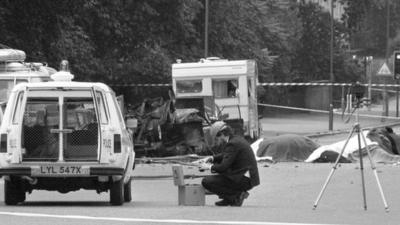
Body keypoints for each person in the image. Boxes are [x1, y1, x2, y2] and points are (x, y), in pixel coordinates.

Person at [199, 121, 260, 206]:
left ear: (221, 134)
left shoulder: (232, 144)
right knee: (220, 175)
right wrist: (212, 158)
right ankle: (229, 198)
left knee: (206, 181)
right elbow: (226, 155)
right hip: (248, 177)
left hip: (244, 179)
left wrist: (208, 166)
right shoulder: (236, 139)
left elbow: (223, 167)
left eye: (217, 139)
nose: (217, 141)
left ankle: (235, 196)